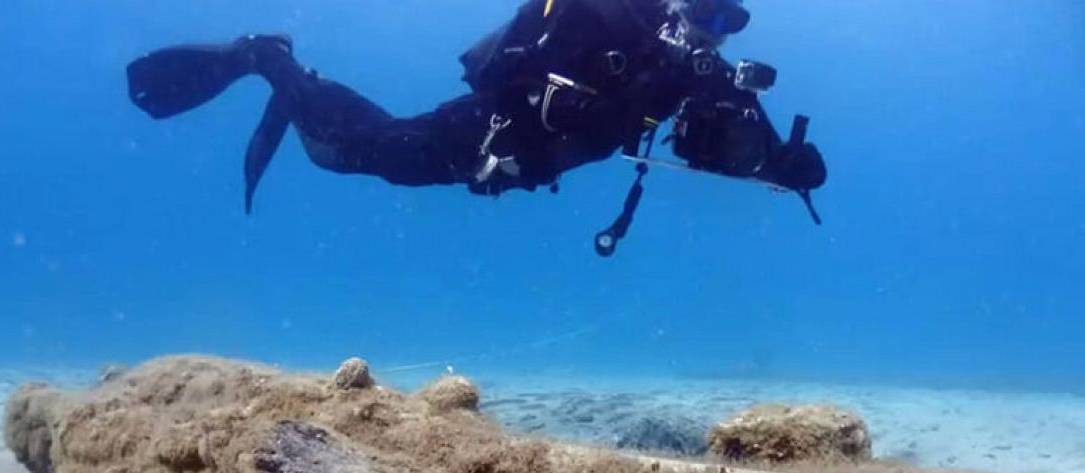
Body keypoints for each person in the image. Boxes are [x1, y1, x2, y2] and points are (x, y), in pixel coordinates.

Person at [127, 0, 826, 243]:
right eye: (707, 14)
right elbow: (525, 87)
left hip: (509, 164)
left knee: (359, 143)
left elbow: (717, 145)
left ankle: (292, 75)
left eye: (729, 24)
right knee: (344, 152)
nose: (715, 35)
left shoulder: (686, 69)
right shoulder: (608, 18)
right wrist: (637, 87)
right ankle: (268, 60)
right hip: (480, 137)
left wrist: (782, 164)